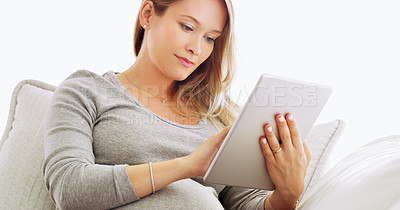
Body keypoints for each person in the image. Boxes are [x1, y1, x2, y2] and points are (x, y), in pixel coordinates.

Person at [43, 0, 311, 209]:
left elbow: (241, 203)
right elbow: (69, 188)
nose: (197, 48)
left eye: (210, 38)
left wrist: (286, 195)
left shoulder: (218, 117)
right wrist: (188, 165)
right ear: (148, 14)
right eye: (187, 27)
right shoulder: (87, 91)